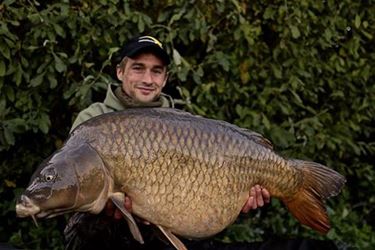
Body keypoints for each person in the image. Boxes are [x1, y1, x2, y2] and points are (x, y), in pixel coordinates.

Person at [64, 35, 271, 250]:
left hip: (165, 226)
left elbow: (200, 198)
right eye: (138, 68)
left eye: (156, 71)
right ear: (120, 71)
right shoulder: (93, 121)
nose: (147, 79)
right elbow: (73, 183)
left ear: (165, 79)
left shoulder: (183, 127)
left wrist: (238, 197)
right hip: (105, 232)